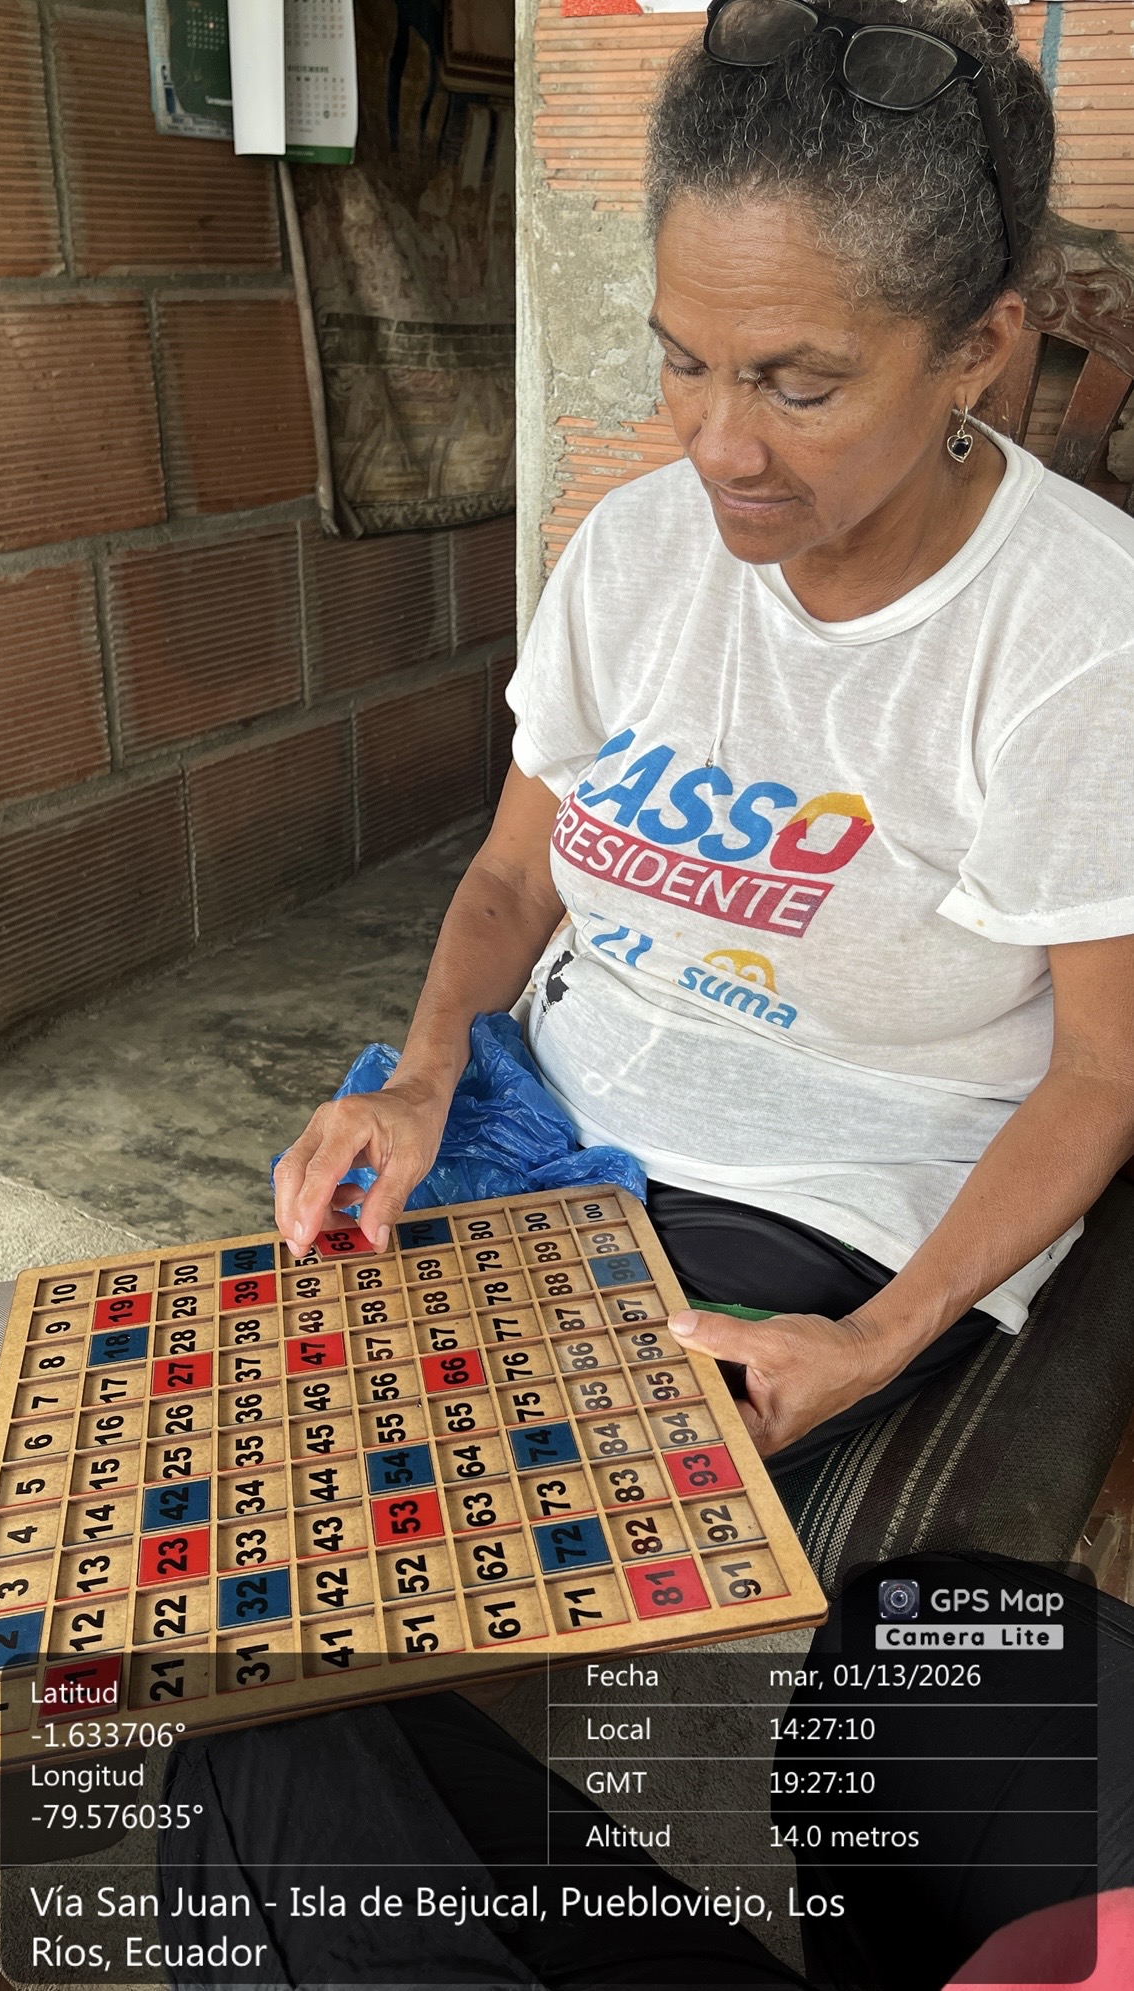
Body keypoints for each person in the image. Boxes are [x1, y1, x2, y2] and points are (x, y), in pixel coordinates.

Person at [275, 0, 1134, 1480]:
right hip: (546, 1106)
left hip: (826, 1187)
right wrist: (423, 1074)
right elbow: (512, 879)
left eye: (799, 384)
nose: (719, 447)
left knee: (507, 1496)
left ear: (977, 350)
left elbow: (1102, 1074)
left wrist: (882, 1337)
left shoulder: (1080, 633)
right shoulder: (632, 548)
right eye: (684, 361)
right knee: (278, 1437)